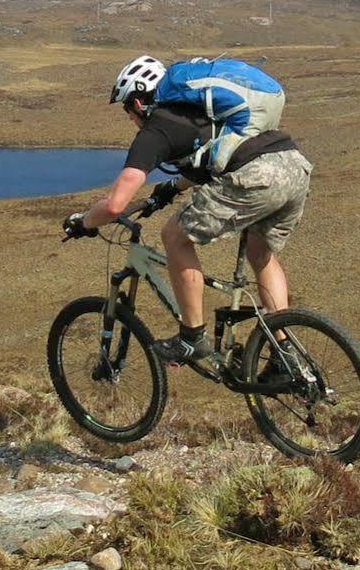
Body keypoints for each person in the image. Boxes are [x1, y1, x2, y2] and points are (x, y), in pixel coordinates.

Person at [64, 54, 312, 368]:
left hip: (256, 178)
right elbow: (212, 159)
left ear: (138, 103)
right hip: (293, 168)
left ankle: (192, 338)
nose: (131, 119)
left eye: (128, 110)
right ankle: (285, 354)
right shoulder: (207, 116)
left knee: (175, 236)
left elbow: (115, 204)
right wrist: (170, 189)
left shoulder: (156, 130)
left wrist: (83, 222)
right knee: (260, 254)